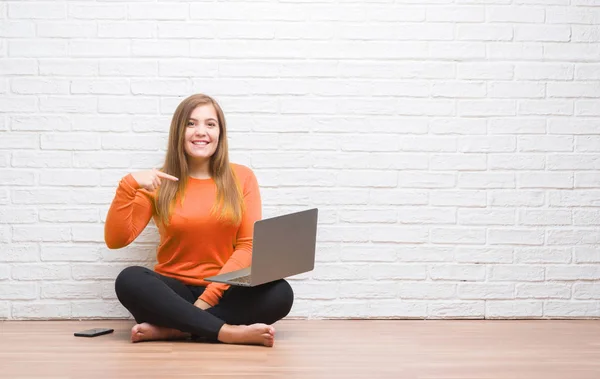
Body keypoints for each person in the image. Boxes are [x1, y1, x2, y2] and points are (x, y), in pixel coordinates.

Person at [104, 94, 294, 347]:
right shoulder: (158, 182)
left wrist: (208, 298)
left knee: (281, 292)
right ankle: (226, 332)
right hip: (174, 293)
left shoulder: (243, 177)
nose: (200, 132)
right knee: (129, 279)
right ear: (178, 132)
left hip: (225, 290)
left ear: (220, 133)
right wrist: (128, 185)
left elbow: (247, 246)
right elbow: (117, 240)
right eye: (191, 124)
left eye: (210, 124)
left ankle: (177, 330)